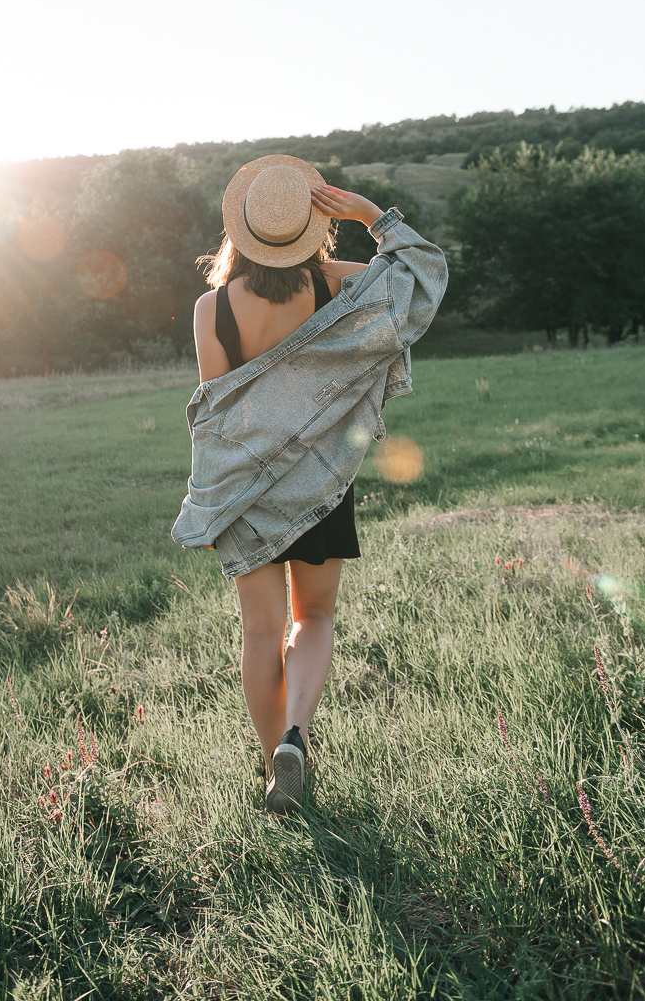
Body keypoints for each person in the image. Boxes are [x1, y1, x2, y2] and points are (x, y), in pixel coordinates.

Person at [171, 154, 447, 813]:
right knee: (314, 616)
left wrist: (211, 502)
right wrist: (368, 215)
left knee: (260, 635)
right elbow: (422, 274)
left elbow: (219, 416)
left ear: (238, 231)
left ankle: (276, 768)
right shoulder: (343, 287)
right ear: (310, 225)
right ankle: (296, 732)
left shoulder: (212, 310)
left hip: (243, 494)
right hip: (319, 484)